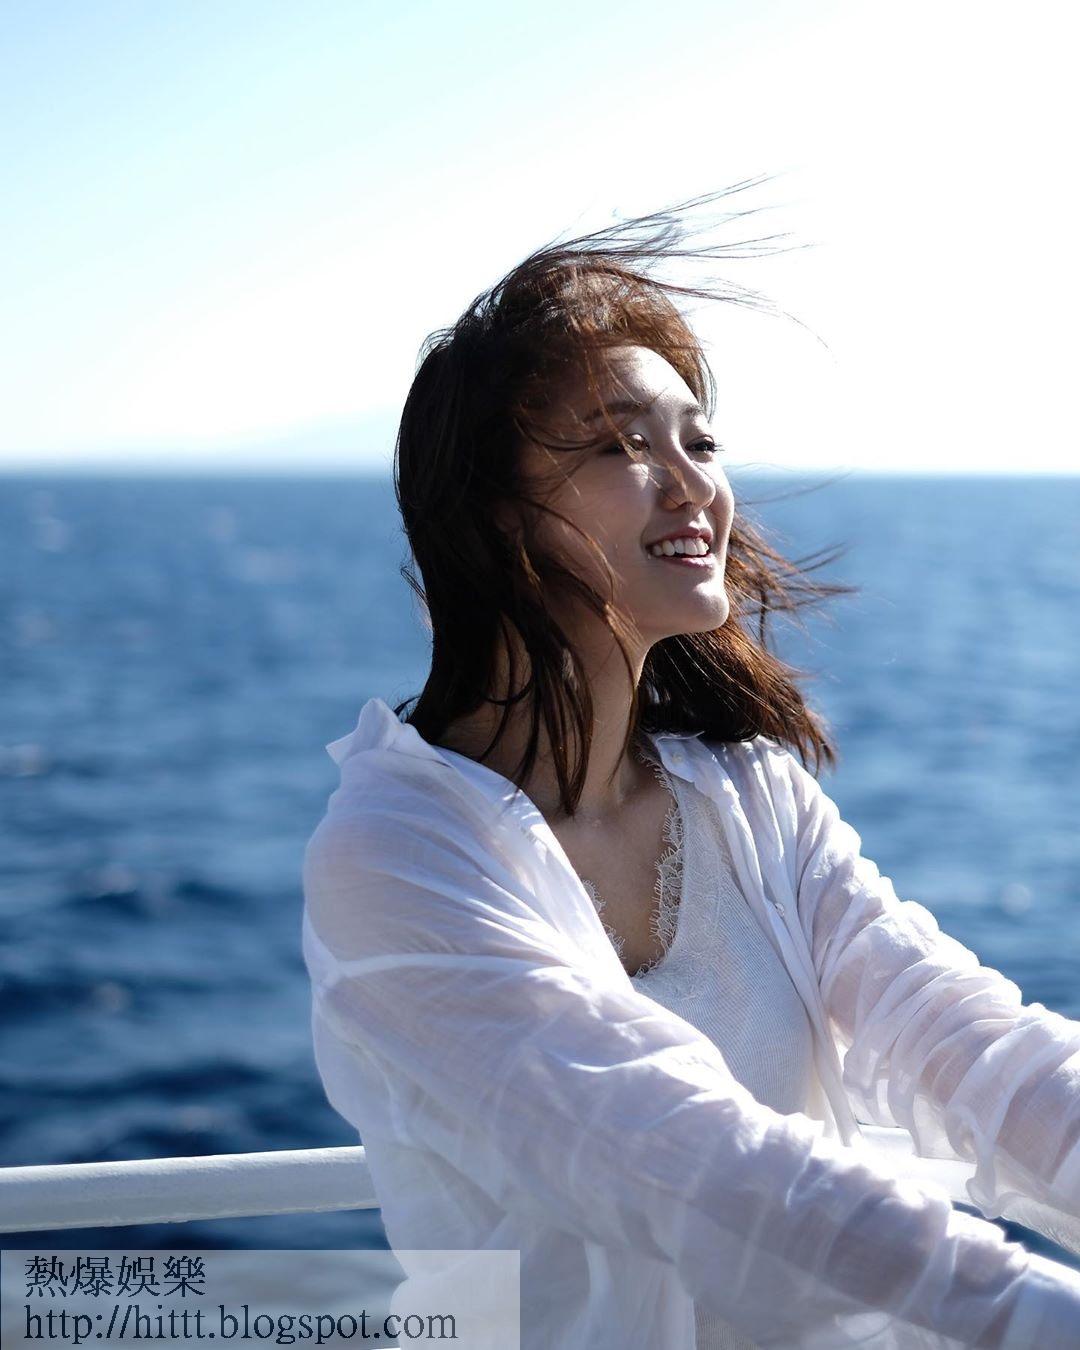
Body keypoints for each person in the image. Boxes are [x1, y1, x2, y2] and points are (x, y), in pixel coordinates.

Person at [301, 188, 1080, 1348]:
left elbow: (960, 1037)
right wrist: (1034, 1314)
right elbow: (690, 1161)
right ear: (494, 515)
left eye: (699, 441)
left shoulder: (751, 797)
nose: (691, 484)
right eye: (622, 445)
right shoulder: (397, 855)